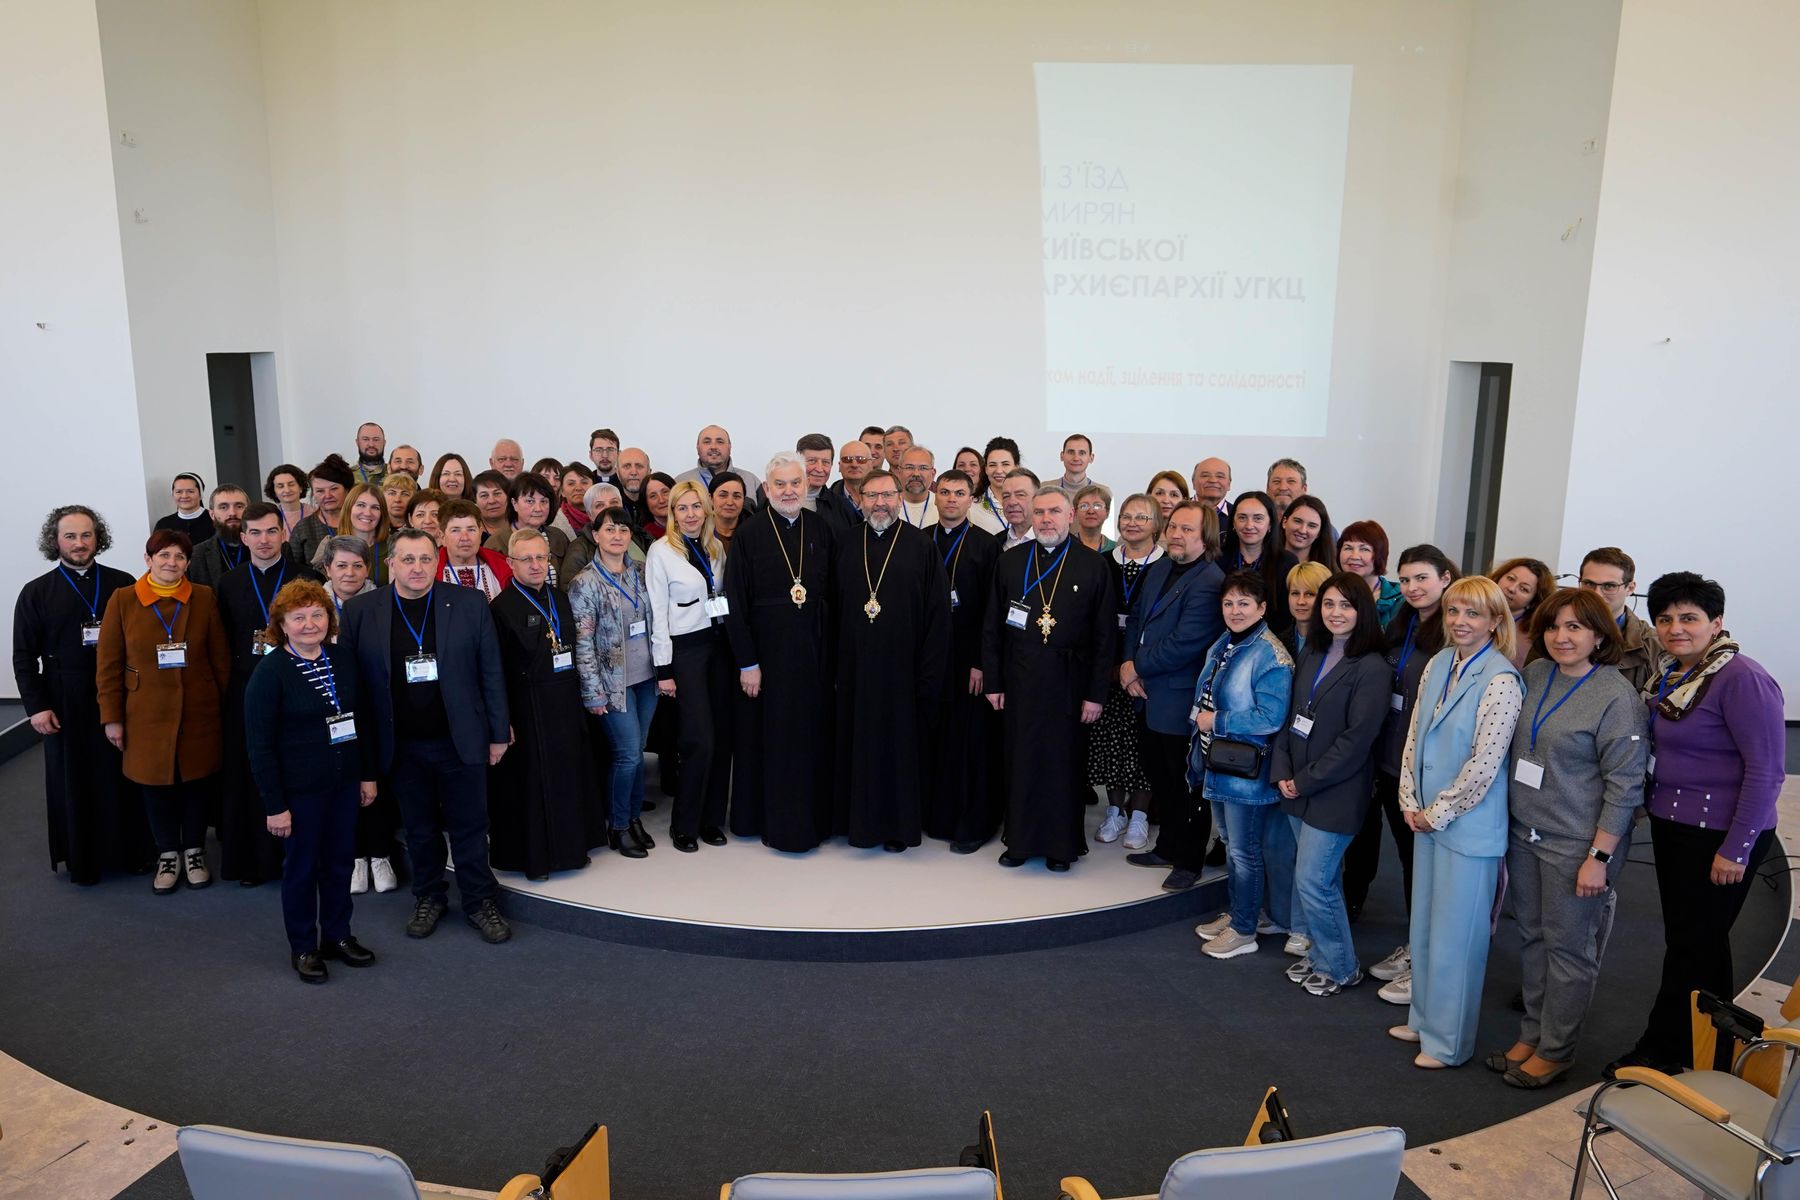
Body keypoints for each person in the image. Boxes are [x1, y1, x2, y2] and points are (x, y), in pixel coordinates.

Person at [1608, 572, 1785, 1078]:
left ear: (1717, 622)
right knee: (1698, 943)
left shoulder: (1742, 679)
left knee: (1693, 945)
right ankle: (1711, 1051)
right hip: (1674, 829)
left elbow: (1767, 771)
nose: (1675, 628)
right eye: (1665, 618)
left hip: (1718, 837)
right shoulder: (1674, 675)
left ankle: (1662, 1050)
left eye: (1689, 618)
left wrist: (1737, 849)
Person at [1486, 588, 1645, 1087]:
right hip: (1524, 832)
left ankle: (1557, 1049)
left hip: (1578, 844)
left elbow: (1626, 787)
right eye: (1554, 626)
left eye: (1575, 627)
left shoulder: (1617, 697)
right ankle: (1532, 1034)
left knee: (1569, 949)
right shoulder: (1534, 675)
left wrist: (1599, 856)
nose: (1561, 636)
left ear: (1600, 635)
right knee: (1532, 938)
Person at [338, 529, 513, 944]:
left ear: (437, 562)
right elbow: (353, 687)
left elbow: (491, 671)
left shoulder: (470, 604)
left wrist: (497, 732)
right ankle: (429, 896)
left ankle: (479, 901)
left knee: (471, 826)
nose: (418, 568)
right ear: (391, 564)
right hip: (400, 744)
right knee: (419, 829)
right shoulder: (362, 610)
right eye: (408, 559)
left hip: (460, 738)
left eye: (425, 559)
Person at [1392, 576, 1523, 1068]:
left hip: (1464, 828)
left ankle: (1448, 1044)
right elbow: (1414, 736)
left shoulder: (1501, 679)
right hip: (1425, 817)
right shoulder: (1439, 663)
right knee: (1425, 926)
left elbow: (1485, 764)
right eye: (1453, 612)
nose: (1460, 622)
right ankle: (1423, 1021)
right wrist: (1409, 798)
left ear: (1494, 621)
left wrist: (1437, 811)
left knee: (1457, 939)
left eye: (1472, 614)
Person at [244, 579, 377, 983]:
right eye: (298, 617)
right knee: (301, 870)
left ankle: (337, 936)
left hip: (343, 783)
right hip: (298, 793)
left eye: (317, 614)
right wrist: (275, 805)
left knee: (338, 864)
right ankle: (303, 946)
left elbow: (362, 721)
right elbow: (259, 748)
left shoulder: (343, 659)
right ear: (281, 624)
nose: (309, 624)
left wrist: (367, 775)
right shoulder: (269, 674)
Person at [1347, 544, 1459, 1001]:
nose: (1412, 587)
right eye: (1406, 579)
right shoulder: (1405, 623)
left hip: (1429, 771)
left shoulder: (1453, 631)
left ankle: (1429, 960)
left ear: (1446, 578)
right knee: (1412, 863)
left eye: (1423, 578)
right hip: (1393, 762)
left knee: (1426, 867)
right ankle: (1417, 945)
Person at [13, 506, 148, 883]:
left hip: (120, 694)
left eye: (86, 535)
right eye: (70, 536)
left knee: (122, 775)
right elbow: (23, 656)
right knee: (74, 779)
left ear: (97, 538)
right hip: (64, 698)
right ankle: (83, 860)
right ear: (55, 541)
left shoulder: (123, 584)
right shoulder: (36, 592)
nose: (79, 543)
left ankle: (131, 853)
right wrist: (36, 707)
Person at [983, 486, 1115, 870]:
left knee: (1063, 764)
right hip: (1020, 679)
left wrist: (1096, 694)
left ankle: (1062, 847)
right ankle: (1019, 842)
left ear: (1070, 515)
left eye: (1054, 511)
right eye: (1038, 512)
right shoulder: (1011, 562)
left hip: (1070, 683)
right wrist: (993, 681)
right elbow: (991, 626)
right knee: (1020, 761)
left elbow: (1105, 637)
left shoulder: (1093, 565)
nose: (1045, 519)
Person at [1271, 573, 1389, 996]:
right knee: (1322, 881)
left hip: (1335, 793)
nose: (1335, 613)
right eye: (1329, 604)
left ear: (1363, 612)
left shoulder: (1373, 668)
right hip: (1296, 787)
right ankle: (1321, 954)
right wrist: (1283, 772)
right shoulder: (1314, 651)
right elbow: (1290, 717)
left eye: (1346, 605)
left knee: (1314, 882)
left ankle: (1341, 966)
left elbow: (1356, 743)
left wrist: (1303, 781)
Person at [96, 530, 232, 894]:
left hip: (198, 711)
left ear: (188, 563)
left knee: (196, 785)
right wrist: (112, 717)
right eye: (164, 555)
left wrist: (223, 707)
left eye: (179, 557)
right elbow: (108, 664)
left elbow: (219, 658)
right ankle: (168, 853)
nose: (171, 563)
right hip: (144, 713)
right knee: (155, 787)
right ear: (148, 559)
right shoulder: (122, 600)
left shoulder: (203, 597)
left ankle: (195, 851)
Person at [723, 453, 837, 851]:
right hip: (766, 664)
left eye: (795, 484)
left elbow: (833, 598)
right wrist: (747, 663)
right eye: (780, 485)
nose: (789, 491)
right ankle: (767, 822)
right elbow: (734, 602)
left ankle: (812, 822)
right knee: (769, 743)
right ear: (767, 489)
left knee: (809, 742)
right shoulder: (750, 534)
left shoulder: (821, 529)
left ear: (805, 487)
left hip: (812, 659)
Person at [833, 470, 950, 850]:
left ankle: (897, 829)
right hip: (854, 670)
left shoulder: (921, 545)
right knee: (857, 745)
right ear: (860, 498)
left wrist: (928, 673)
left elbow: (937, 615)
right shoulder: (845, 543)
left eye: (886, 495)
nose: (879, 503)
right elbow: (830, 610)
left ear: (900, 497)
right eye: (871, 495)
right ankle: (858, 825)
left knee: (899, 751)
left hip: (904, 670)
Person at [1188, 571, 1297, 961]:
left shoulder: (1270, 654)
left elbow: (1271, 716)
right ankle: (1239, 913)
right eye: (1229, 603)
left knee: (1245, 853)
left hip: (1247, 772)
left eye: (1244, 603)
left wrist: (1216, 721)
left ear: (1262, 608)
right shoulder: (1226, 642)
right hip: (1219, 762)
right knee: (1233, 846)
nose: (1234, 611)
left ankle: (1245, 929)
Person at [1119, 501, 1224, 889]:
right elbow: (1135, 621)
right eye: (1174, 527)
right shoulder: (1161, 566)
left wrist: (1135, 667)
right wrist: (1127, 664)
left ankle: (1188, 861)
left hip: (1179, 699)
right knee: (1160, 778)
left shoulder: (1210, 581)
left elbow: (1186, 644)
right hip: (1145, 694)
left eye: (1187, 530)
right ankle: (1165, 847)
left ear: (1205, 537)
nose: (1177, 535)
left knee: (1186, 785)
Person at [215, 503, 321, 885]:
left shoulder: (305, 578)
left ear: (284, 534)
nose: (264, 540)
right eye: (255, 533)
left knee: (295, 767)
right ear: (243, 537)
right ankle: (254, 861)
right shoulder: (228, 583)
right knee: (250, 770)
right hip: (246, 688)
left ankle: (301, 855)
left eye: (271, 531)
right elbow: (222, 642)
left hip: (296, 685)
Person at [486, 529, 595, 879]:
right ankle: (535, 859)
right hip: (526, 710)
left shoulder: (560, 598)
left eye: (541, 558)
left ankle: (569, 852)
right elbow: (495, 670)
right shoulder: (499, 609)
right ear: (510, 563)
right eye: (526, 559)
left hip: (564, 704)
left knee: (567, 778)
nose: (535, 565)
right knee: (531, 785)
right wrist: (502, 720)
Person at [647, 480, 734, 852]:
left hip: (719, 650)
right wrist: (664, 669)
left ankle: (712, 820)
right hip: (685, 653)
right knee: (699, 738)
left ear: (707, 510)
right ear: (673, 513)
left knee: (722, 738)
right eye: (682, 508)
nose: (690, 514)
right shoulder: (661, 552)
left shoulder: (715, 549)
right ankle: (683, 824)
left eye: (696, 507)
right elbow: (657, 614)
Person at [571, 506, 659, 858]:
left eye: (623, 529)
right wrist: (593, 692)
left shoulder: (640, 571)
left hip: (646, 678)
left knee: (637, 753)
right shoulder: (584, 582)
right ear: (596, 535)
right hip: (612, 684)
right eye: (610, 529)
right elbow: (582, 643)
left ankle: (634, 818)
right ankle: (618, 825)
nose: (618, 535)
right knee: (626, 755)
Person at [924, 468, 1003, 852]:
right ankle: (936, 818)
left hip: (968, 662)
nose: (952, 499)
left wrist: (981, 662)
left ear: (972, 500)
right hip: (929, 658)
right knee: (934, 739)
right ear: (935, 496)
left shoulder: (986, 546)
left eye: (960, 493)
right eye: (946, 492)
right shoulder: (921, 541)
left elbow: (993, 611)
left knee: (968, 743)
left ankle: (970, 823)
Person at [320, 535, 398, 893]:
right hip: (328, 707)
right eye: (341, 565)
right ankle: (353, 857)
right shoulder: (312, 604)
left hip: (374, 702)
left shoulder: (382, 602)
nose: (349, 573)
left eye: (357, 565)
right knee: (340, 782)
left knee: (374, 777)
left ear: (369, 568)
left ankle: (380, 855)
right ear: (327, 569)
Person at [1091, 494, 1164, 851]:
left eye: (1141, 517)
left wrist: (1137, 667)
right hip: (1109, 667)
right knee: (1112, 744)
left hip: (1147, 669)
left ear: (1155, 524)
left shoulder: (1165, 566)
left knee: (1142, 746)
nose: (1132, 523)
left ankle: (1140, 815)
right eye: (1126, 516)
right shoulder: (1104, 562)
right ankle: (1115, 810)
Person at [1575, 546, 1659, 691]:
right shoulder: (1552, 632)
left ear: (1630, 588)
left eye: (1609, 586)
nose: (1597, 594)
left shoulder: (1653, 644)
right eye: (1589, 584)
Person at [1221, 490, 1298, 636]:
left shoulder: (1287, 563)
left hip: (1270, 644)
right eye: (1242, 518)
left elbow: (1286, 618)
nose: (1249, 525)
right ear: (1233, 523)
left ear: (1270, 524)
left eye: (1258, 519)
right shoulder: (1217, 559)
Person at [501, 473, 570, 586]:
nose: (538, 509)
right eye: (530, 501)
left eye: (544, 501)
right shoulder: (496, 543)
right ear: (515, 504)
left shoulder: (558, 536)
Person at [436, 498, 512, 600]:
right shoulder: (430, 572)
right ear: (442, 537)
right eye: (455, 530)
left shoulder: (504, 567)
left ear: (480, 533)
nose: (465, 538)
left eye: (471, 529)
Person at [1489, 556, 1555, 667]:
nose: (1511, 588)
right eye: (1510, 578)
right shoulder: (1472, 607)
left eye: (1523, 589)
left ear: (1533, 602)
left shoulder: (1533, 637)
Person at [1337, 520, 1404, 628]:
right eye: (1348, 548)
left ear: (1380, 555)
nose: (1354, 556)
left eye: (1364, 549)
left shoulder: (1400, 601)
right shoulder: (1329, 593)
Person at [292, 455, 353, 568]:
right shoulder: (304, 528)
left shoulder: (361, 522)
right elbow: (293, 570)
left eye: (334, 489)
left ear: (347, 489)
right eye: (320, 491)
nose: (327, 496)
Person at [185, 485, 250, 588]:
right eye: (223, 507)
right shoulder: (195, 556)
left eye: (239, 506)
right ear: (212, 515)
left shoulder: (265, 548)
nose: (232, 513)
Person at [676, 424, 762, 498]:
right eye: (707, 442)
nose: (713, 447)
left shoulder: (751, 481)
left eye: (720, 442)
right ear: (698, 447)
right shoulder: (680, 482)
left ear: (729, 447)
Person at [331, 483, 392, 584]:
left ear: (382, 514)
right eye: (361, 505)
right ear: (349, 508)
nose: (368, 513)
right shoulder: (331, 546)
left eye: (375, 507)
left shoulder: (394, 547)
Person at [154, 472, 217, 545]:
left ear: (200, 494)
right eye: (179, 492)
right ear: (173, 495)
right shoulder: (163, 525)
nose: (184, 496)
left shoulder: (215, 520)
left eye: (190, 491)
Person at [1283, 560, 1331, 656]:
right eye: (1295, 593)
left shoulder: (1335, 644)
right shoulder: (1279, 642)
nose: (1300, 601)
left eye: (1310, 594)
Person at [828, 436, 876, 528]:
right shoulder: (827, 502)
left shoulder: (886, 497)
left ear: (871, 465)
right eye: (847, 459)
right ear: (839, 466)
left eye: (861, 459)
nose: (854, 464)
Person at [977, 437, 1021, 532]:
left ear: (1016, 468)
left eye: (1005, 464)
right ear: (986, 469)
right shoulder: (971, 506)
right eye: (992, 465)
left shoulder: (1031, 504)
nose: (999, 471)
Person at [1280, 495, 1334, 567]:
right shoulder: (1262, 562)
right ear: (1284, 522)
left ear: (1319, 532)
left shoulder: (1328, 573)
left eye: (1312, 526)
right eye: (1297, 521)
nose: (1302, 530)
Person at [997, 468, 1040, 550]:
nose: (1012, 502)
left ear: (1037, 499)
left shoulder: (1053, 542)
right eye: (1006, 496)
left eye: (1020, 495)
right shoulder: (995, 543)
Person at [896, 446, 939, 529]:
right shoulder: (887, 505)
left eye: (923, 468)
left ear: (933, 474)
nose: (916, 474)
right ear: (899, 472)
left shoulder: (944, 506)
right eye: (909, 467)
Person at [265, 464, 311, 539]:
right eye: (280, 486)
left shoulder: (315, 512)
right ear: (274, 491)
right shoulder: (269, 515)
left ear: (301, 487)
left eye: (291, 484)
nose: (287, 490)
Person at [707, 471, 747, 555]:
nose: (730, 502)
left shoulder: (753, 533)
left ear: (744, 500)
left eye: (736, 496)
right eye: (723, 495)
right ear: (710, 499)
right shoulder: (699, 532)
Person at [472, 470, 514, 544]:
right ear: (475, 500)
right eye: (484, 495)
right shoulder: (470, 529)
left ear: (508, 496)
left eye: (497, 493)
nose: (492, 501)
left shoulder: (520, 526)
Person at [556, 461, 596, 536]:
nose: (578, 488)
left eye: (584, 482)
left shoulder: (605, 516)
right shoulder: (555, 522)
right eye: (571, 484)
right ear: (562, 492)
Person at [617, 448, 652, 529]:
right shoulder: (608, 505)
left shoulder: (661, 504)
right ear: (617, 472)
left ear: (649, 472)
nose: (633, 472)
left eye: (639, 466)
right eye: (627, 466)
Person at [1072, 484, 1113, 553]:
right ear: (1075, 512)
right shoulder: (1065, 547)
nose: (1091, 511)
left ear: (1107, 512)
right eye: (1084, 506)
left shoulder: (1116, 548)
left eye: (1097, 506)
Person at [1191, 457, 1233, 523]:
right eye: (1205, 475)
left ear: (1229, 484)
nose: (1213, 480)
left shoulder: (1237, 515)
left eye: (1220, 476)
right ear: (1193, 482)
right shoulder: (1176, 510)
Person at [642, 471, 673, 541]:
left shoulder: (692, 525)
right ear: (645, 502)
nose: (661, 500)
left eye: (665, 492)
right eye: (653, 496)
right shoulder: (645, 537)